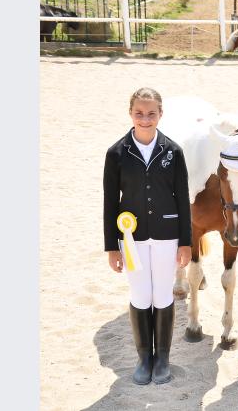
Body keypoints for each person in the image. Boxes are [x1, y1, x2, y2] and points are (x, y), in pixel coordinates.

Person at [103, 87, 192, 385]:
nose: (145, 118)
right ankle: (144, 358)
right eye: (139, 113)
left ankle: (163, 358)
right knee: (141, 295)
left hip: (167, 235)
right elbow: (109, 202)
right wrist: (111, 247)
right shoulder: (116, 153)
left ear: (160, 115)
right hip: (132, 239)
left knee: (163, 294)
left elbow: (182, 199)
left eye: (151, 113)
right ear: (130, 114)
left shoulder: (174, 151)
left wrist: (186, 242)